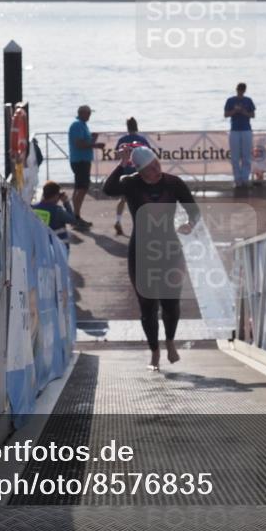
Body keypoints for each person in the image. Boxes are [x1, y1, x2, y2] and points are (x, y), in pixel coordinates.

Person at [102, 145, 199, 371]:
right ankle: (154, 352)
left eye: (157, 163)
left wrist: (190, 224)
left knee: (171, 304)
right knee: (147, 306)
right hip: (141, 252)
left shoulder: (174, 183)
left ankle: (171, 341)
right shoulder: (130, 183)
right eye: (150, 167)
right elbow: (108, 189)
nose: (157, 169)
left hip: (169, 249)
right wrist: (121, 164)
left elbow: (194, 210)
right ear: (140, 171)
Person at [113, 117, 152, 236]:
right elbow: (149, 156)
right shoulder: (142, 140)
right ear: (136, 126)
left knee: (123, 198)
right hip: (138, 172)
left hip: (125, 172)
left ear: (127, 127)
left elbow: (116, 156)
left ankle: (118, 221)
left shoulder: (122, 140)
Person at [67, 105, 104, 229]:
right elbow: (79, 144)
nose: (89, 116)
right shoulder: (77, 125)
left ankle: (75, 216)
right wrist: (95, 145)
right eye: (88, 113)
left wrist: (92, 139)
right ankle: (76, 217)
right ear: (82, 113)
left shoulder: (82, 125)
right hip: (80, 160)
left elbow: (84, 141)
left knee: (79, 187)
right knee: (82, 188)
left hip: (81, 160)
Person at [224, 83, 256, 188]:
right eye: (239, 90)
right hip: (234, 130)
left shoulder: (248, 100)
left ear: (244, 90)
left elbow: (252, 115)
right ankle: (237, 179)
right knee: (235, 157)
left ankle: (245, 179)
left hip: (246, 130)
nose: (240, 92)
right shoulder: (230, 100)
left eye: (242, 90)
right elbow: (226, 114)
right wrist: (235, 111)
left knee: (246, 156)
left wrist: (243, 112)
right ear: (236, 89)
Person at [32, 181, 76, 251]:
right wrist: (66, 202)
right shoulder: (58, 211)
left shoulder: (33, 208)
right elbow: (73, 220)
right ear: (55, 196)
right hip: (59, 248)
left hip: (41, 246)